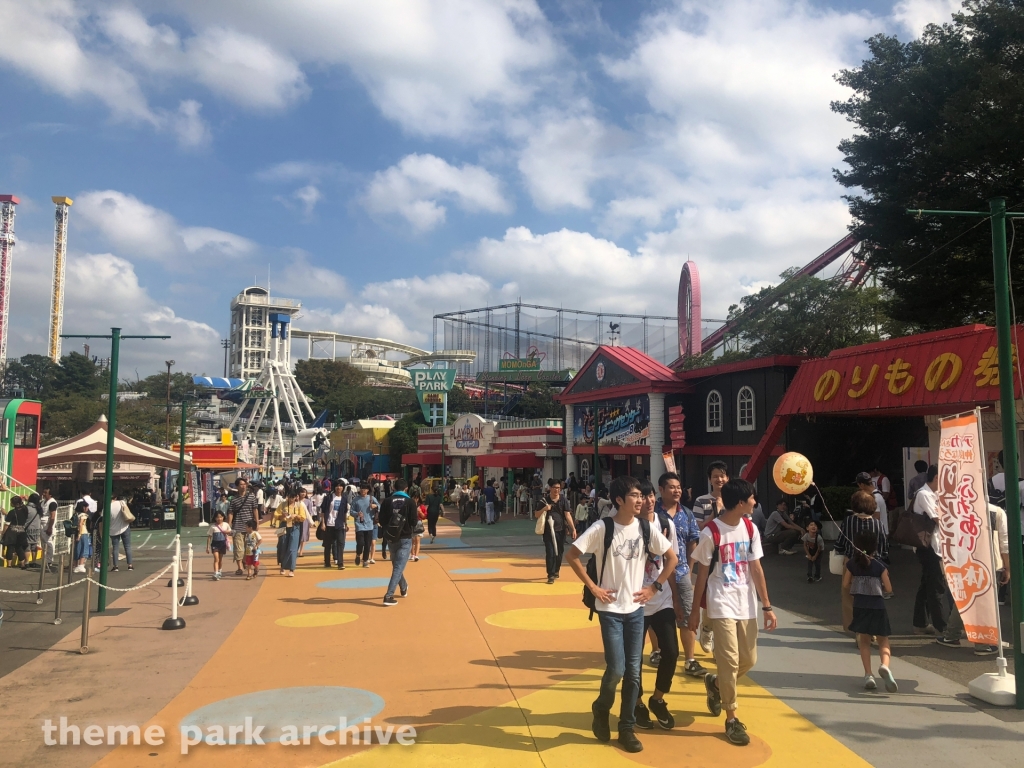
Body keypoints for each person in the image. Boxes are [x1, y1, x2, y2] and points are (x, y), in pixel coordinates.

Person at [567, 475, 676, 754]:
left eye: (642, 495)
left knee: (634, 672)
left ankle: (626, 727)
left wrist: (654, 588)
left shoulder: (645, 528)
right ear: (618, 500)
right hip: (611, 611)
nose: (641, 500)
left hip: (636, 610)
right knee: (616, 668)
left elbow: (672, 558)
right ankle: (601, 708)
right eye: (635, 496)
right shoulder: (602, 528)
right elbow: (573, 555)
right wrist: (593, 588)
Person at [689, 478, 777, 747]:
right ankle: (731, 718)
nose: (755, 501)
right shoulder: (711, 533)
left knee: (748, 659)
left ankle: (716, 685)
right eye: (751, 498)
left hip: (746, 603)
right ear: (740, 502)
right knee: (728, 660)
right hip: (720, 603)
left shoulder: (750, 528)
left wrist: (767, 605)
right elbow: (701, 575)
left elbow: (756, 568)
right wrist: (695, 613)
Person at [635, 480, 681, 731]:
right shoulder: (626, 524)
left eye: (651, 495)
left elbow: (671, 561)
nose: (649, 500)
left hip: (660, 599)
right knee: (635, 658)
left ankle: (658, 698)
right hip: (635, 603)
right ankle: (638, 703)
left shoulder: (666, 524)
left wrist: (674, 596)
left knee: (671, 652)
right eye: (643, 495)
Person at [938, 502, 1011, 654]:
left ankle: (951, 635)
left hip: (965, 562)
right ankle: (983, 643)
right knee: (987, 604)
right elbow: (1004, 542)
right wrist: (1007, 567)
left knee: (966, 600)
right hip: (990, 563)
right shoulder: (997, 512)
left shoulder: (958, 510)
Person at [656, 472, 706, 678]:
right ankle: (656, 651)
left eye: (679, 487)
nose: (677, 491)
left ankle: (690, 660)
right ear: (661, 490)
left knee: (686, 614)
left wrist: (690, 566)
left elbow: (693, 540)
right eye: (672, 487)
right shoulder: (652, 513)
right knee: (655, 612)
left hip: (682, 572)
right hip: (656, 573)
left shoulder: (686, 513)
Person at [844, 530, 898, 692]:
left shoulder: (852, 564)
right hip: (878, 608)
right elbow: (889, 588)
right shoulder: (880, 566)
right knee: (883, 640)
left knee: (864, 642)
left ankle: (868, 674)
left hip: (860, 607)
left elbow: (845, 584)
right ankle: (885, 666)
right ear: (875, 548)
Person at [839, 491, 889, 632]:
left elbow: (839, 544)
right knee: (872, 596)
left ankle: (853, 628)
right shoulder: (877, 524)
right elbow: (884, 547)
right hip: (873, 563)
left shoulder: (848, 521)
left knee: (849, 595)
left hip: (852, 563)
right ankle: (871, 628)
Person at [911, 465, 947, 635]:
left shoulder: (934, 494)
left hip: (934, 546)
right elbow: (938, 519)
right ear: (937, 476)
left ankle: (920, 623)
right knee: (936, 585)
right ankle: (942, 627)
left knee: (927, 585)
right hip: (928, 546)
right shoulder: (924, 494)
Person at [379, 479, 416, 606]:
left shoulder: (387, 501)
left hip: (391, 537)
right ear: (406, 488)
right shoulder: (410, 502)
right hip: (405, 537)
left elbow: (382, 520)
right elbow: (414, 521)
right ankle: (389, 595)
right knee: (398, 567)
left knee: (396, 565)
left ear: (394, 488)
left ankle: (404, 586)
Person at [536, 479, 576, 584]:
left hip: (561, 531)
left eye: (558, 488)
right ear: (550, 488)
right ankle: (551, 574)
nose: (557, 490)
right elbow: (536, 514)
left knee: (559, 552)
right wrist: (545, 508)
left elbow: (567, 515)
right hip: (548, 532)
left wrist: (573, 529)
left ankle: (556, 570)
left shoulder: (563, 500)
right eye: (554, 488)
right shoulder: (544, 500)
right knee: (550, 553)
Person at [227, 478, 260, 577]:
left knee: (248, 548)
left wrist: (257, 523)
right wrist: (229, 525)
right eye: (241, 484)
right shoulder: (233, 499)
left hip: (249, 527)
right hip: (237, 526)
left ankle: (246, 563)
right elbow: (231, 512)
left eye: (244, 484)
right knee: (238, 548)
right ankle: (240, 568)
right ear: (237, 486)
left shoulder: (251, 497)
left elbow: (255, 510)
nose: (243, 486)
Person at [272, 489, 306, 577]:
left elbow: (303, 517)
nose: (291, 499)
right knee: (282, 545)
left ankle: (292, 569)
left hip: (295, 526)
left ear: (296, 497)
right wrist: (281, 515)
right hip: (283, 526)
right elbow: (276, 514)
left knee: (293, 547)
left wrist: (296, 516)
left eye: (293, 497)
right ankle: (282, 566)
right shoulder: (283, 504)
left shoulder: (299, 505)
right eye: (289, 497)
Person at [319, 481, 349, 570]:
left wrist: (345, 524)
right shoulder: (328, 498)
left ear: (343, 488)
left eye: (340, 486)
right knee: (328, 544)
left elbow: (345, 512)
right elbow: (323, 511)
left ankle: (340, 563)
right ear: (334, 487)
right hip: (329, 524)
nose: (339, 487)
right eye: (337, 486)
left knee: (340, 543)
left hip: (339, 524)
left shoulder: (344, 499)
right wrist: (323, 523)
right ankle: (327, 562)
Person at [351, 483, 380, 567]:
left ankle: (365, 560)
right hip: (359, 525)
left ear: (368, 490)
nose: (363, 490)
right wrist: (357, 514)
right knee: (360, 543)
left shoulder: (371, 498)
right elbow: (351, 512)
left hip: (370, 524)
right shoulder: (355, 500)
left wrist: (375, 506)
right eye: (362, 488)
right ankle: (358, 554)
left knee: (367, 544)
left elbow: (379, 506)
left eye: (365, 489)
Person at [694, 461, 729, 528]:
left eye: (722, 476)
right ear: (710, 479)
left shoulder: (735, 499)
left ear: (727, 478)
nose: (719, 479)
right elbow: (698, 528)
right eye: (715, 477)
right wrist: (715, 510)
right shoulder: (700, 500)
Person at [856, 471, 889, 540]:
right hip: (880, 532)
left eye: (858, 485)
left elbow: (876, 517)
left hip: (877, 534)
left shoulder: (875, 498)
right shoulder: (877, 494)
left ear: (862, 484)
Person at [3, 495, 32, 568]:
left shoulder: (12, 512)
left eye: (11, 502)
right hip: (22, 530)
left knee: (10, 548)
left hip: (12, 531)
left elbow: (7, 523)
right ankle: (22, 563)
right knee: (19, 547)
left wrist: (3, 532)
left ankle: (9, 564)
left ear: (15, 504)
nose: (10, 503)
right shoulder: (25, 509)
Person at [108, 493, 134, 572]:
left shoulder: (107, 507)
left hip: (113, 529)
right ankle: (130, 565)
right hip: (124, 526)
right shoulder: (121, 502)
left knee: (115, 547)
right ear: (115, 498)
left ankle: (116, 566)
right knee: (127, 546)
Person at [207, 510, 231, 579]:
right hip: (215, 544)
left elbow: (230, 532)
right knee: (216, 559)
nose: (219, 519)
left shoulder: (226, 524)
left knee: (220, 559)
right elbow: (209, 537)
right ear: (215, 518)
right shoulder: (213, 527)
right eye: (217, 517)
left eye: (220, 517)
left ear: (223, 517)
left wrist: (227, 532)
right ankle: (216, 573)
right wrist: (207, 547)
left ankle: (220, 570)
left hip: (222, 544)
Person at [71, 499, 92, 573]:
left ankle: (75, 566)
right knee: (84, 549)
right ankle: (81, 565)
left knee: (77, 549)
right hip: (83, 533)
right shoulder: (83, 515)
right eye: (86, 507)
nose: (87, 509)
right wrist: (80, 534)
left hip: (76, 533)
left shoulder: (76, 514)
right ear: (83, 507)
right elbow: (80, 524)